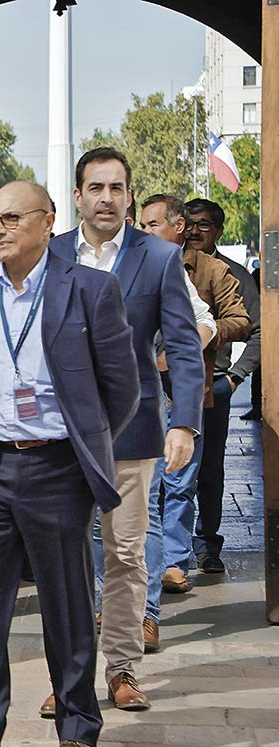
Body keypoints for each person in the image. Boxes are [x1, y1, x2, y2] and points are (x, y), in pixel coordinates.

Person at [0, 181, 138, 747]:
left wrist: (80, 442)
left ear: (47, 222)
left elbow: (121, 389)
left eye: (10, 218)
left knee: (67, 606)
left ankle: (77, 729)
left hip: (56, 469)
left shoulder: (91, 290)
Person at [43, 148, 204, 716]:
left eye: (117, 188)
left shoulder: (159, 258)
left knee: (127, 554)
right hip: (57, 434)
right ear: (79, 194)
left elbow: (183, 347)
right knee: (63, 558)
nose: (106, 197)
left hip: (132, 433)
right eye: (96, 187)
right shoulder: (51, 252)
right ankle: (68, 677)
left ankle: (122, 668)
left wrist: (183, 421)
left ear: (130, 196)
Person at [139, 195, 249, 614]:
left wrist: (190, 346)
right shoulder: (136, 265)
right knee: (148, 485)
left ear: (177, 228)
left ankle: (173, 562)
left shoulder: (214, 270)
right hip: (144, 393)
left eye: (153, 225)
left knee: (184, 481)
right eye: (144, 224)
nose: (145, 232)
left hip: (194, 389)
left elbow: (240, 320)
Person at [185, 198, 263, 566]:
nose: (195, 231)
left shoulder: (231, 274)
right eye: (190, 223)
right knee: (164, 473)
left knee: (210, 470)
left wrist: (235, 377)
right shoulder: (164, 266)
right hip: (163, 385)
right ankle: (170, 552)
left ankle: (207, 545)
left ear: (218, 230)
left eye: (204, 225)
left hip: (214, 384)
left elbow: (258, 330)